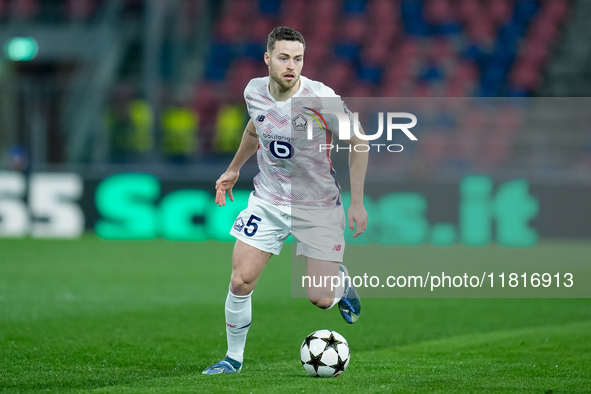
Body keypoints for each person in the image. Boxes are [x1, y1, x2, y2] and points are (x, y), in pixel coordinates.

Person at [202, 26, 369, 375]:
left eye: (298, 58)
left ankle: (340, 282)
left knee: (320, 299)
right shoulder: (254, 91)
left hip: (318, 205)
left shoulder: (321, 98)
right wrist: (234, 168)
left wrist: (357, 202)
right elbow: (255, 128)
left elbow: (360, 142)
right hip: (269, 199)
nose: (291, 65)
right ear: (267, 59)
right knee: (240, 280)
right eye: (283, 57)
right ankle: (233, 359)